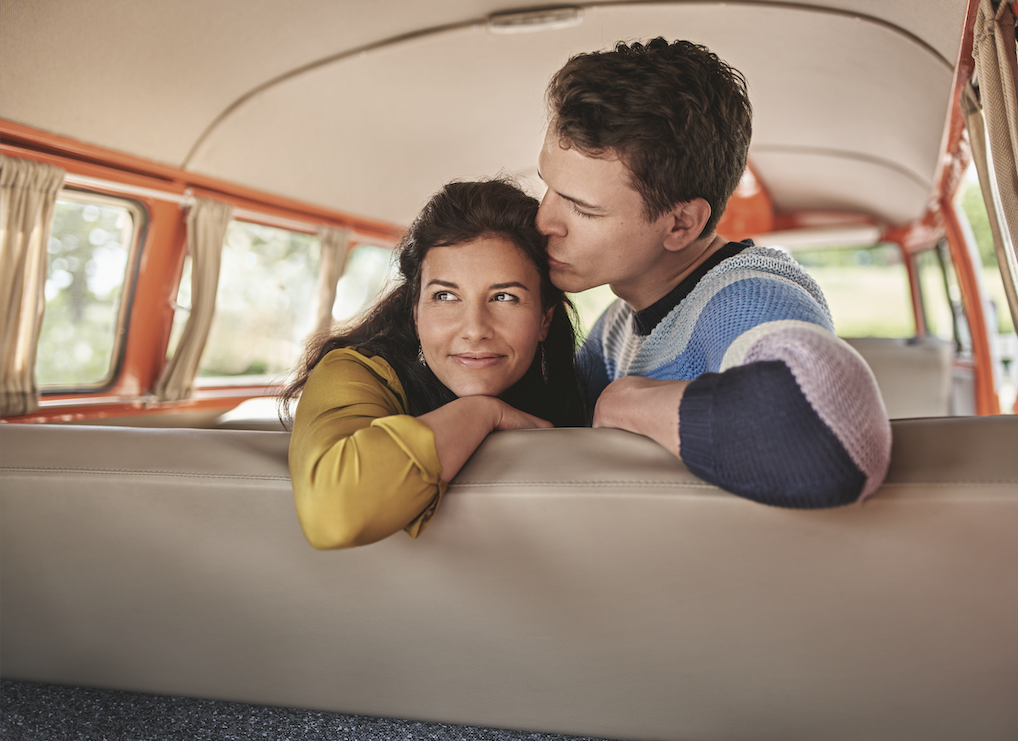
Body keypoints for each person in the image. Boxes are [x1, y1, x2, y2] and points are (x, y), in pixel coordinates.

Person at [537, 38, 891, 507]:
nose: (543, 222)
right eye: (549, 189)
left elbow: (827, 436)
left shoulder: (747, 295)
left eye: (582, 209)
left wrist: (624, 400)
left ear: (682, 223)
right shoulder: (617, 326)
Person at [282, 179, 584, 549]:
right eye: (445, 296)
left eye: (504, 297)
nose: (475, 330)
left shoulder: (577, 389)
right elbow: (333, 513)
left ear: (544, 320)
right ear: (415, 313)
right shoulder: (350, 371)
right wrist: (480, 413)